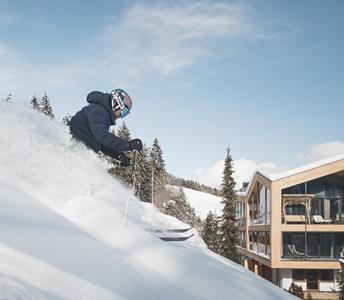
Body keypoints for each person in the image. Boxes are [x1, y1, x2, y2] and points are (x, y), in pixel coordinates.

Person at [68, 89, 142, 166]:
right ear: (116, 104)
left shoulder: (103, 113)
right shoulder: (98, 110)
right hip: (73, 149)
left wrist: (120, 156)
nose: (121, 116)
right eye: (124, 112)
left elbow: (102, 143)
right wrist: (128, 145)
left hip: (79, 151)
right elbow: (102, 136)